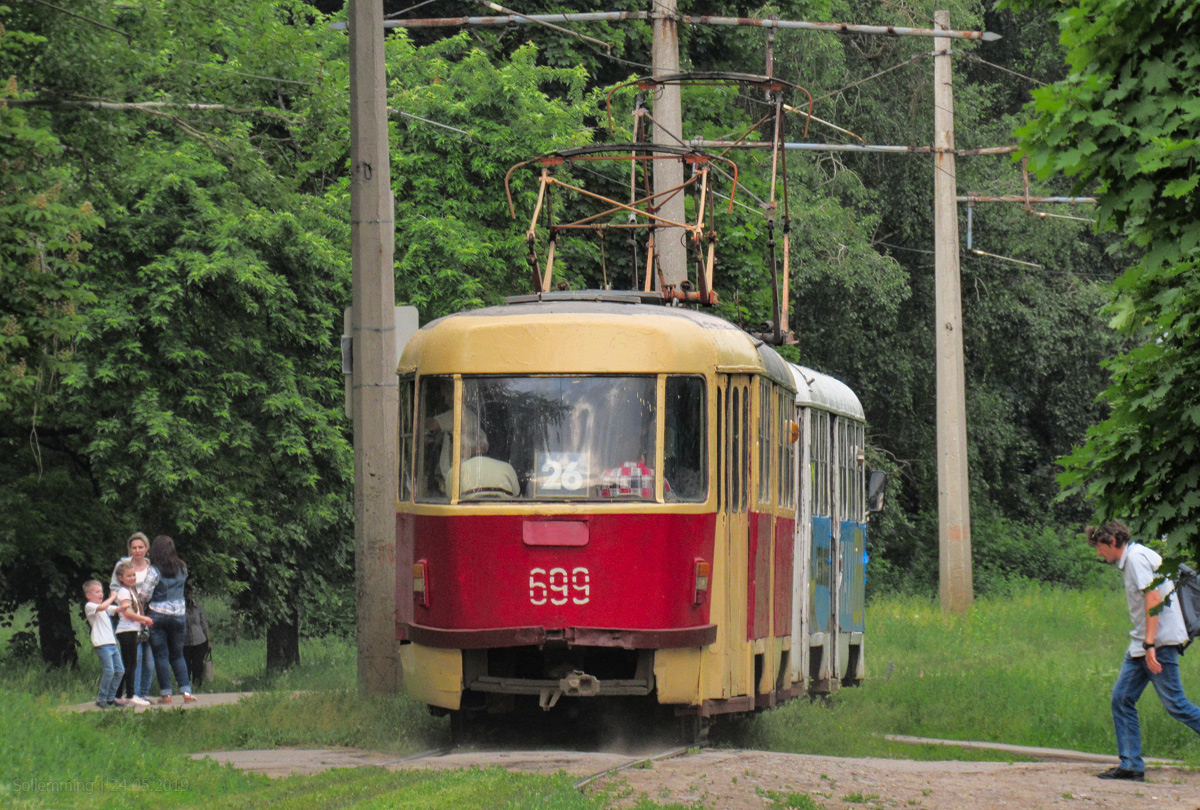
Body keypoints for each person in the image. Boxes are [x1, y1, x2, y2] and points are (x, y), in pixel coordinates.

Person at [1088, 520, 1200, 781]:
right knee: (1122, 698)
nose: (1098, 553)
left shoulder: (1136, 559)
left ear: (1113, 541)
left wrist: (1150, 644)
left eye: (1100, 546)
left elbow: (1153, 600)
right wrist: (1144, 643)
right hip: (1143, 643)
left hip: (1156, 643)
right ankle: (1131, 766)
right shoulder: (1136, 557)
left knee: (1176, 705)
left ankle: (1131, 764)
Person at [110, 532, 158, 703]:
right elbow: (115, 590)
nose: (137, 550)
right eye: (134, 547)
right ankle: (132, 694)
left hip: (147, 615)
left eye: (140, 547)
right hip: (130, 618)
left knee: (148, 658)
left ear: (146, 548)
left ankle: (142, 692)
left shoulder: (152, 566)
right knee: (133, 659)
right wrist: (125, 605)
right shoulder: (123, 566)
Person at [147, 534, 195, 703]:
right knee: (178, 654)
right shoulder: (182, 567)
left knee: (161, 655)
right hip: (179, 615)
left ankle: (166, 694)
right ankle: (186, 692)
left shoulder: (154, 569)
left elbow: (145, 593)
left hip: (158, 614)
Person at [82, 580, 124, 710]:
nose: (101, 594)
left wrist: (125, 600)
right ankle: (101, 698)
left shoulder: (105, 608)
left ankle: (110, 698)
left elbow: (118, 609)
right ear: (89, 595)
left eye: (101, 591)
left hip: (112, 643)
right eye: (97, 592)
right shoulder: (90, 606)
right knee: (109, 671)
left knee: (120, 671)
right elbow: (102, 607)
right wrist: (112, 597)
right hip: (101, 644)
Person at [182, 586, 211, 690]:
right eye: (185, 594)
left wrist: (208, 641)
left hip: (199, 641)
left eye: (189, 594)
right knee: (186, 666)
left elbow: (204, 624)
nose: (187, 597)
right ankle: (186, 686)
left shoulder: (198, 608)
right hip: (184, 642)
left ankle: (198, 686)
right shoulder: (179, 608)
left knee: (197, 665)